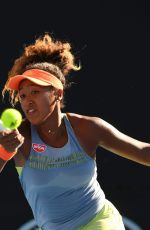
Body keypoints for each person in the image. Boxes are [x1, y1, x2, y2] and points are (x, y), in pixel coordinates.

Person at [0, 33, 150, 230]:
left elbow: (142, 151)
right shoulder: (19, 136)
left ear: (57, 93)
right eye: (23, 95)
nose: (27, 101)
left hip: (100, 221)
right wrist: (4, 151)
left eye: (35, 92)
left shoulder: (87, 128)